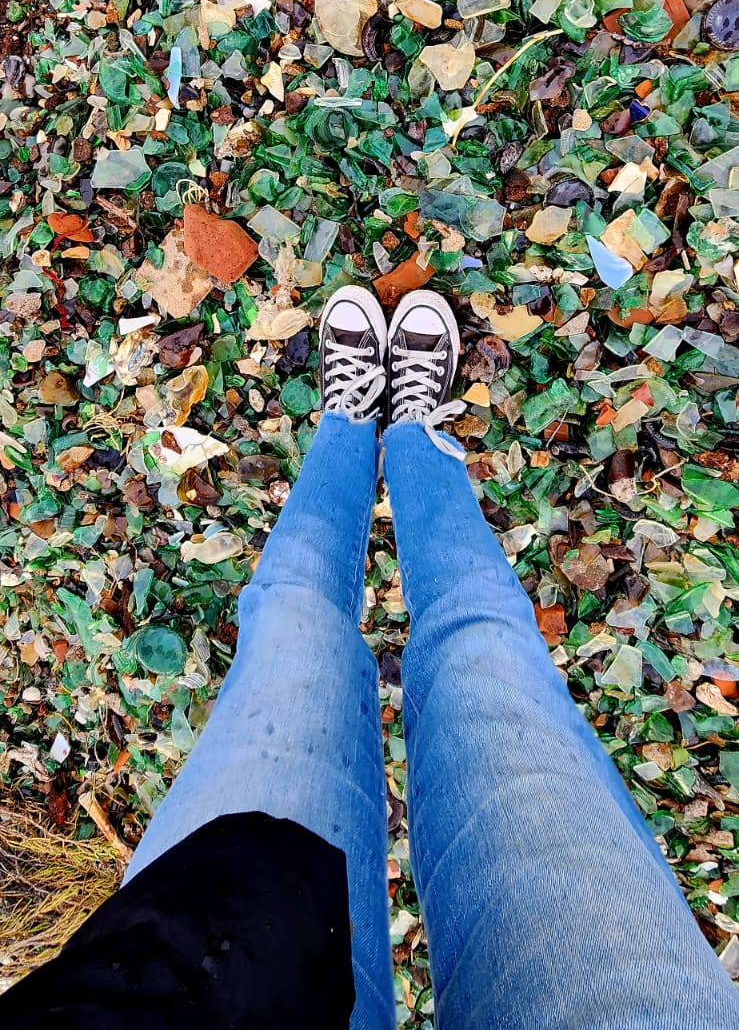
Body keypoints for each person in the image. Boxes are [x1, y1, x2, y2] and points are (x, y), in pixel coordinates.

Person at [5, 287, 739, 1029]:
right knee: (483, 647)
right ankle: (414, 431)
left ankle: (353, 424)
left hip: (166, 986)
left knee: (291, 628)